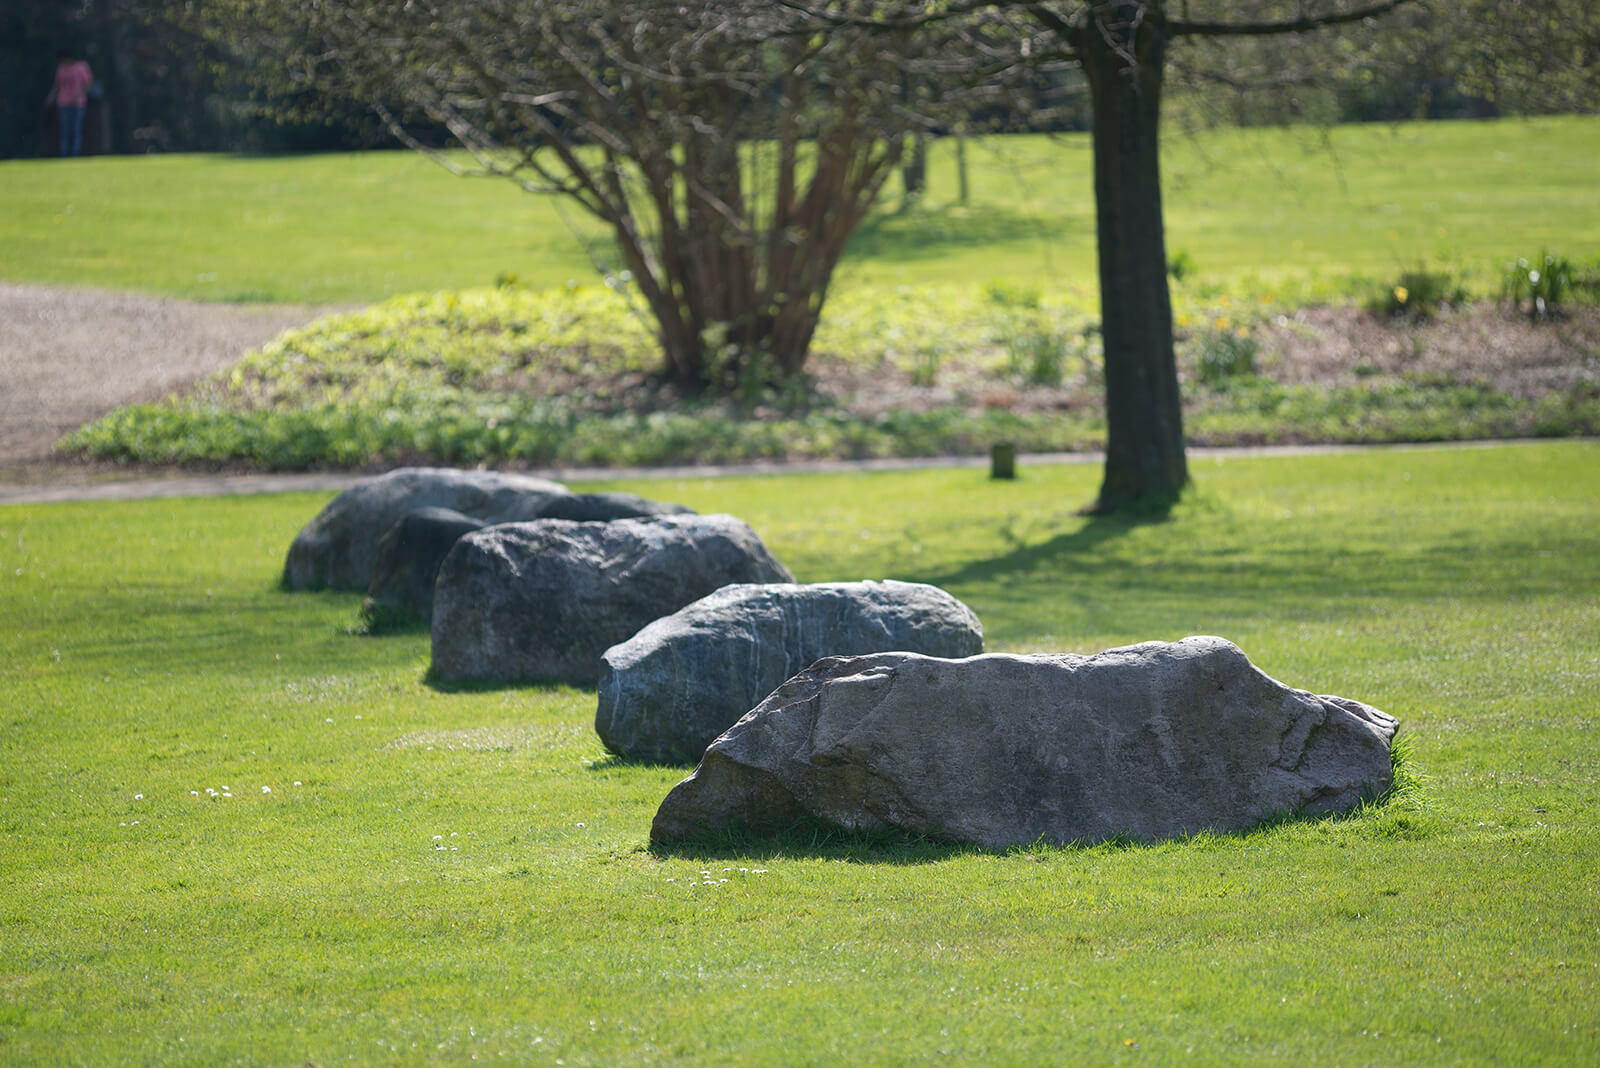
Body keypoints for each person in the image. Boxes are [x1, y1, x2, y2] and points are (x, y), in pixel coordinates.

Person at [46, 48, 94, 157]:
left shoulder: (81, 67)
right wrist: (51, 97)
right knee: (65, 130)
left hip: (78, 103)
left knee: (77, 130)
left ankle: (75, 154)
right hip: (64, 103)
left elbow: (88, 84)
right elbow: (57, 86)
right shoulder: (61, 69)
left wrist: (80, 94)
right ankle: (64, 154)